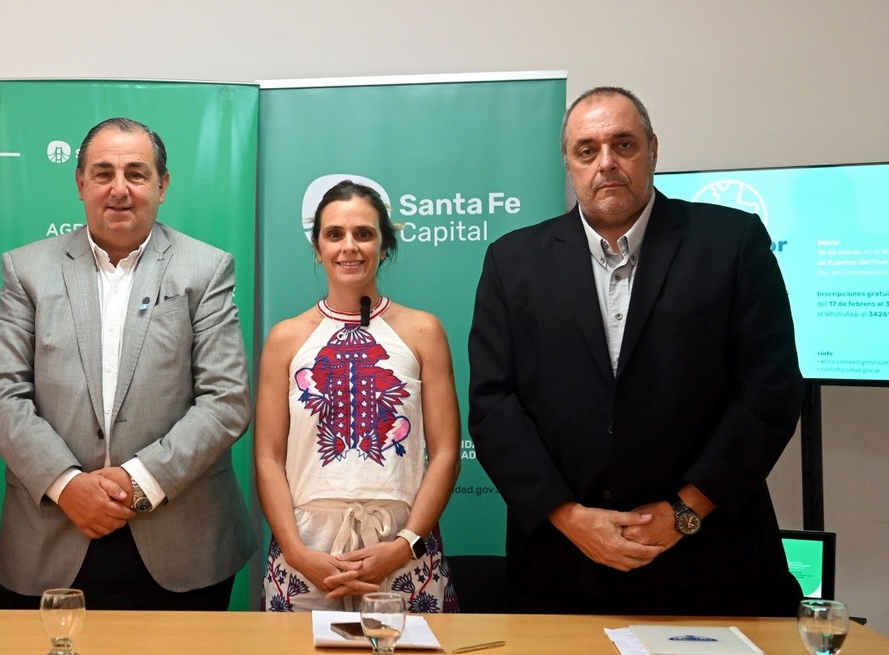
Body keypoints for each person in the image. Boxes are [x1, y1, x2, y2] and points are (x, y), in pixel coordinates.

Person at [467, 87, 803, 616]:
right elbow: (494, 406)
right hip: (563, 567)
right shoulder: (513, 261)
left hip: (710, 558)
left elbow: (770, 391)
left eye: (623, 144)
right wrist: (568, 516)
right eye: (587, 150)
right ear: (569, 164)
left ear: (652, 149)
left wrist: (684, 512)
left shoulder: (731, 242)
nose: (606, 163)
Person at [0, 117, 254, 610]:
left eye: (136, 174)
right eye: (103, 173)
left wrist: (138, 482)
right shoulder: (26, 269)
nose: (119, 189)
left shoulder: (206, 269)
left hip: (182, 541)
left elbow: (226, 400)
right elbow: (1, 395)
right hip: (51, 534)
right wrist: (67, 486)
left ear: (162, 185)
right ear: (80, 183)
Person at [256, 180, 461, 613]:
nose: (349, 246)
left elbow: (445, 452)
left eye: (363, 233)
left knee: (406, 647)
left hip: (401, 546)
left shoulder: (423, 331)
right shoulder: (285, 339)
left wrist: (404, 545)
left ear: (384, 246)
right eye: (334, 234)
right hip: (305, 549)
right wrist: (296, 553)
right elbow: (268, 457)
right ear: (317, 248)